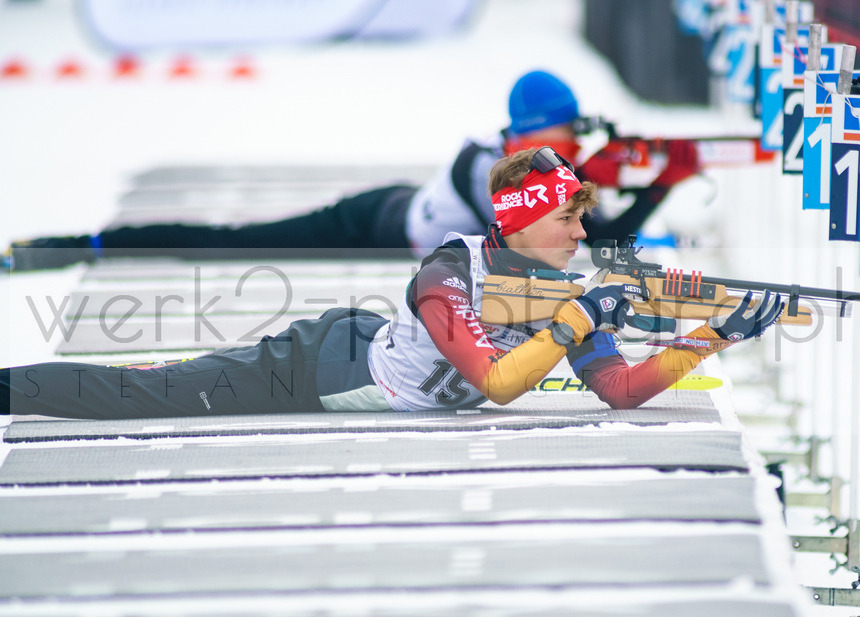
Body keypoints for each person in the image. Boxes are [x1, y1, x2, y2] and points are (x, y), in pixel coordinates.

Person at [1, 147, 780, 419]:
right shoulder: (450, 271)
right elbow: (501, 381)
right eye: (570, 219)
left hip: (373, 358)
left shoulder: (557, 289)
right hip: (310, 368)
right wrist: (579, 319)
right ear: (524, 222)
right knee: (150, 391)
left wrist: (710, 336)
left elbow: (619, 388)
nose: (583, 234)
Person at [3, 70, 699, 271]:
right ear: (525, 131)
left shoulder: (528, 158)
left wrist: (656, 180)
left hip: (397, 209)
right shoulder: (491, 165)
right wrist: (654, 187)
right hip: (372, 223)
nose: (564, 144)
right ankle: (83, 245)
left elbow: (592, 235)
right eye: (557, 132)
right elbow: (598, 238)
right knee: (230, 242)